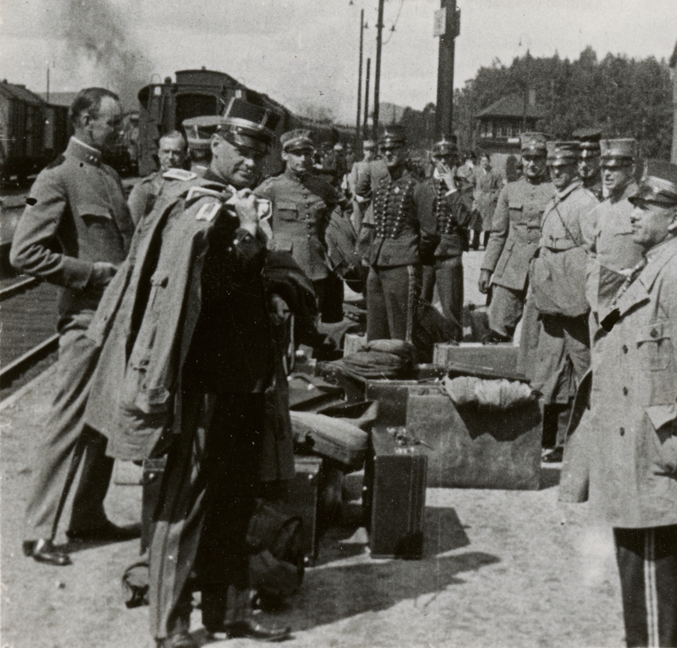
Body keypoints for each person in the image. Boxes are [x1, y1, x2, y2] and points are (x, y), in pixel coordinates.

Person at [85, 98, 292, 647]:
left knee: (234, 500)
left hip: (243, 381)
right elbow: (212, 286)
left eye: (259, 153)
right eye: (241, 150)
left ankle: (230, 614)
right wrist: (250, 235)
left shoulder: (232, 203)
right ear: (216, 147)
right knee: (186, 503)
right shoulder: (200, 207)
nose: (250, 161)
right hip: (202, 384)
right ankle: (171, 626)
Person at [562, 161, 677, 648]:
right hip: (634, 441)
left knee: (648, 562)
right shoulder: (654, 264)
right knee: (634, 561)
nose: (634, 213)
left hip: (654, 446)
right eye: (635, 204)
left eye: (648, 206)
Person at [11, 88, 138, 566]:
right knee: (68, 423)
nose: (121, 131)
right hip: (86, 320)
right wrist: (92, 273)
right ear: (86, 122)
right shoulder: (59, 176)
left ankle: (87, 514)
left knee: (104, 422)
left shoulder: (106, 174)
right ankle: (38, 531)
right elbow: (24, 253)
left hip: (116, 319)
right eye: (113, 123)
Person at [524, 140, 597, 461]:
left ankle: (586, 443)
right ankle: (547, 440)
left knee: (584, 369)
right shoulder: (556, 199)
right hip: (550, 297)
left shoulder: (584, 202)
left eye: (562, 169)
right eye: (553, 168)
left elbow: (594, 252)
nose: (556, 173)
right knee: (548, 370)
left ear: (575, 169)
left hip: (574, 299)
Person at [255, 128, 346, 319]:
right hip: (284, 266)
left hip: (316, 265)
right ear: (284, 155)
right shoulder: (271, 187)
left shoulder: (322, 187)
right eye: (297, 154)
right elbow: (255, 218)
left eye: (307, 154)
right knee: (285, 321)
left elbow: (342, 210)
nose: (303, 159)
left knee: (312, 319)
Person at [479, 133, 554, 341]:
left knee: (539, 331)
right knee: (498, 324)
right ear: (522, 159)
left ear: (545, 160)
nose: (532, 164)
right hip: (511, 267)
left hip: (542, 266)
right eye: (528, 158)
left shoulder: (555, 191)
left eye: (538, 159)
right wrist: (487, 269)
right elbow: (497, 234)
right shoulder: (509, 190)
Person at [356, 129, 429, 342]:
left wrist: (411, 255)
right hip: (377, 264)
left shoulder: (417, 187)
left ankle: (401, 371)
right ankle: (378, 369)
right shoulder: (382, 187)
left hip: (402, 264)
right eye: (384, 150)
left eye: (393, 149)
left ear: (405, 152)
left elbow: (429, 234)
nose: (388, 154)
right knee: (375, 331)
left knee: (400, 333)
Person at [582, 138, 642, 324]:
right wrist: (591, 284)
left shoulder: (642, 207)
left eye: (614, 168)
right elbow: (592, 252)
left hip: (629, 303)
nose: (607, 174)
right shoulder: (601, 208)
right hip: (598, 302)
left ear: (631, 169)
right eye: (604, 168)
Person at [418, 136, 473, 328]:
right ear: (433, 159)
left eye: (449, 158)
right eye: (440, 158)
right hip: (424, 255)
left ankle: (450, 343)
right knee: (420, 306)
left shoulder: (464, 186)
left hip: (449, 253)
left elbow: (464, 219)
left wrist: (452, 188)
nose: (444, 162)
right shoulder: (422, 186)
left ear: (455, 160)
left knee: (451, 309)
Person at [128, 132, 191, 225]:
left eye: (176, 153)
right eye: (166, 151)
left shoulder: (192, 185)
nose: (170, 157)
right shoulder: (145, 188)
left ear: (185, 155)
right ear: (158, 153)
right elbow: (133, 226)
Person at [472, 151, 504, 251]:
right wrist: (475, 195)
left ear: (489, 161)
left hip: (490, 200)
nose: (484, 163)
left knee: (488, 224)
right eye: (482, 161)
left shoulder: (495, 172)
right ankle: (475, 243)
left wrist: (494, 197)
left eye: (486, 160)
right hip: (479, 199)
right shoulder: (476, 172)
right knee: (477, 222)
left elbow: (500, 188)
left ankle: (486, 244)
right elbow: (473, 185)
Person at [574, 127, 604, 198]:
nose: (583, 165)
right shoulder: (574, 192)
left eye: (589, 159)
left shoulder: (607, 192)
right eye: (580, 159)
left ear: (600, 159)